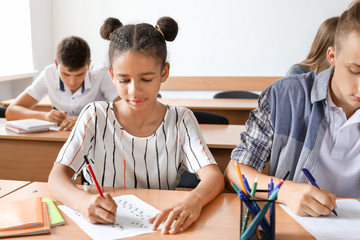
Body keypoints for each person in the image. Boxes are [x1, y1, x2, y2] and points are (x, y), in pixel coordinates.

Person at [48, 17, 224, 234]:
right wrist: (82, 201)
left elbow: (214, 176)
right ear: (112, 74)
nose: (134, 91)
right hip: (105, 228)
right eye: (124, 80)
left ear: (164, 72)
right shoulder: (94, 116)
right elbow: (56, 177)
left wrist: (194, 200)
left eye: (146, 79)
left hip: (159, 228)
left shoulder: (181, 119)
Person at [225, 3, 360, 217]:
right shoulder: (284, 96)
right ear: (332, 57)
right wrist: (284, 191)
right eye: (355, 70)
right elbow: (235, 171)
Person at [5, 36, 119, 131]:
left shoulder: (101, 75)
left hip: (96, 133)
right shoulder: (49, 74)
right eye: (66, 74)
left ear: (88, 65)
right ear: (56, 64)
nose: (72, 82)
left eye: (79, 74)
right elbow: (11, 112)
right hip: (62, 135)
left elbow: (127, 111)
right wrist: (45, 116)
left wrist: (86, 118)